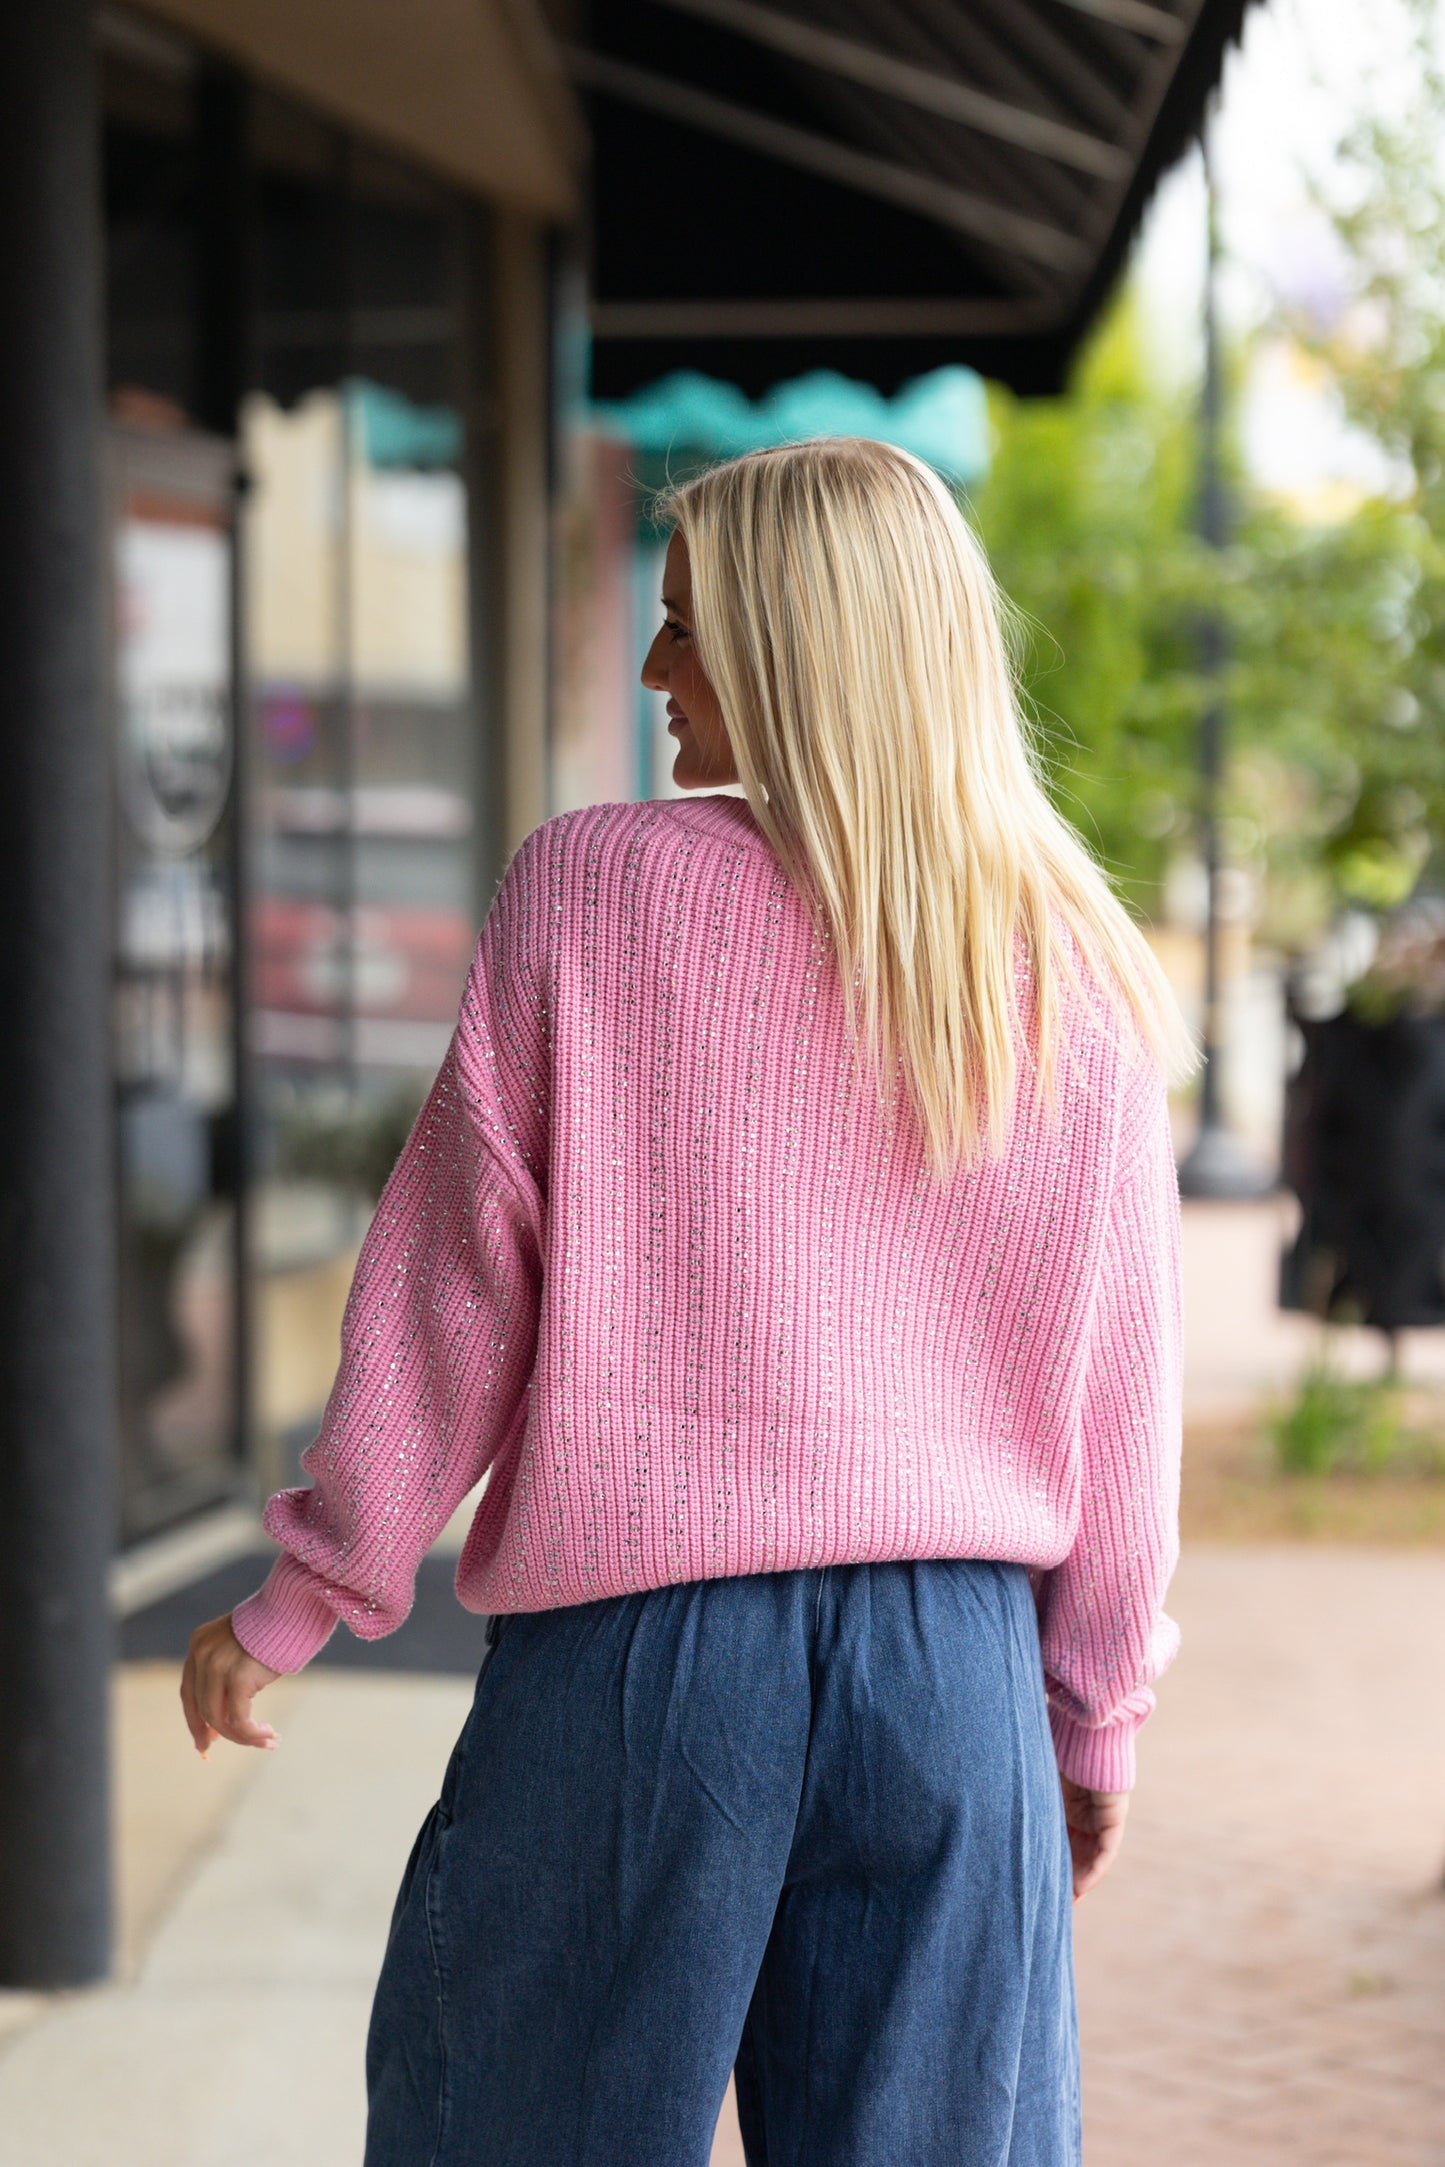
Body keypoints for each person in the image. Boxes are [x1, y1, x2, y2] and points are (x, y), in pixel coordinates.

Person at [182, 437, 1193, 2166]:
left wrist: (309, 1585)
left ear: (802, 655)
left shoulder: (593, 892)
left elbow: (451, 1280)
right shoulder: (1068, 961)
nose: (653, 671)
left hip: (643, 1665)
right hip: (952, 1683)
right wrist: (1085, 1716)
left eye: (686, 633)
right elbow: (1122, 1398)